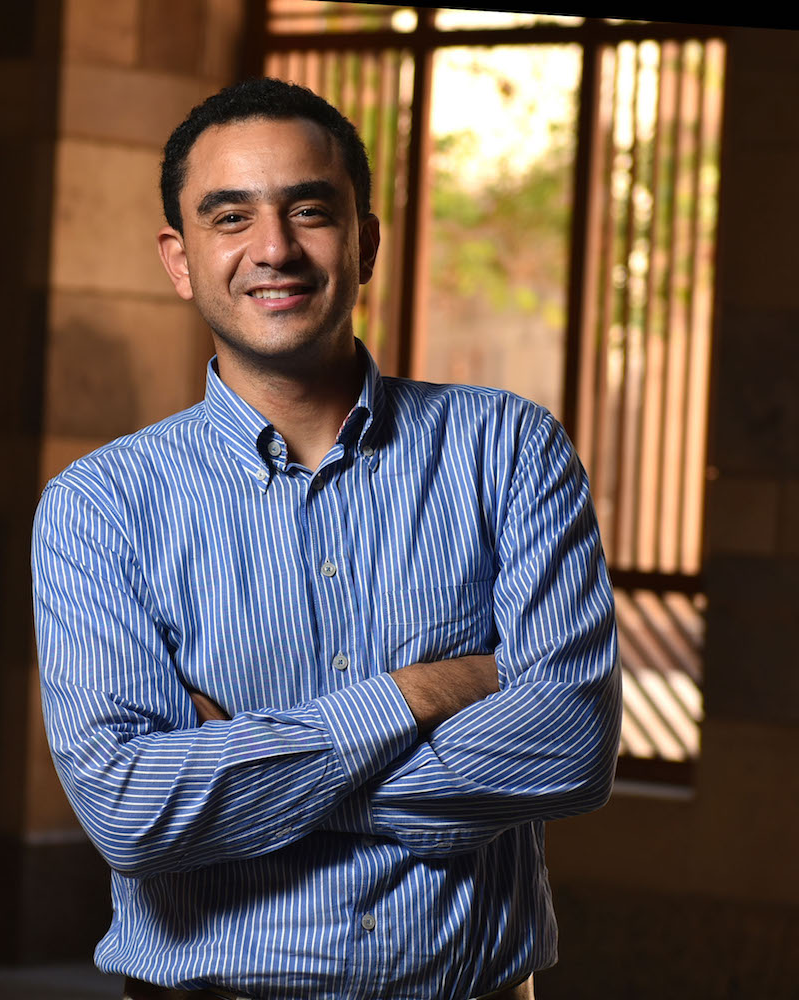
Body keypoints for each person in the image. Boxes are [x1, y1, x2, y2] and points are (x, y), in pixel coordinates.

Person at [31, 78, 622, 1000]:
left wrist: (247, 772)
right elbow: (131, 810)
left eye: (310, 210)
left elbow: (571, 745)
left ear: (366, 241)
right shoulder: (99, 507)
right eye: (231, 218)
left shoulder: (508, 450)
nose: (274, 250)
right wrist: (422, 692)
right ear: (180, 258)